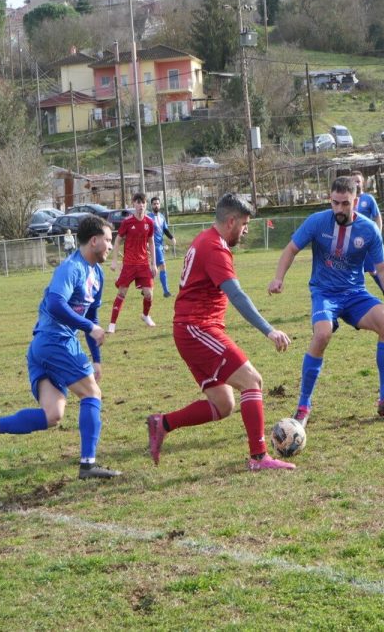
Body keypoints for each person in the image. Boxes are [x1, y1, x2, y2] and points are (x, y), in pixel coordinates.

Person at [146, 193, 295, 471]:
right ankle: (259, 457)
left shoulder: (206, 239)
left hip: (192, 328)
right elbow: (237, 295)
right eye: (245, 224)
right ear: (231, 221)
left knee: (223, 404)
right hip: (197, 328)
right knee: (252, 380)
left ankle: (162, 423)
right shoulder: (214, 247)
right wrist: (269, 330)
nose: (247, 229)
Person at [0, 215, 121, 480]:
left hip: (43, 347)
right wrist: (87, 327)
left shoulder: (97, 273)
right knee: (92, 395)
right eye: (107, 240)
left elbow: (92, 317)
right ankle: (87, 465)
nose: (110, 245)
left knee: (53, 415)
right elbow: (55, 305)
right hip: (55, 341)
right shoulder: (71, 268)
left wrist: (96, 359)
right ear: (93, 241)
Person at [268, 176, 384, 427]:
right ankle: (303, 407)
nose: (339, 209)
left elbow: (382, 269)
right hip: (324, 293)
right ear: (330, 200)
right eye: (335, 203)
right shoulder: (317, 222)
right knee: (322, 335)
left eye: (345, 204)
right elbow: (291, 249)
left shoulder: (369, 229)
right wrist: (278, 278)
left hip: (354, 294)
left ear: (356, 202)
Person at [107, 192, 156, 332]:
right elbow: (117, 241)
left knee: (149, 294)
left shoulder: (149, 222)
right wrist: (114, 261)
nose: (141, 205)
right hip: (129, 264)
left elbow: (151, 242)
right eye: (138, 202)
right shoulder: (127, 222)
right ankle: (112, 325)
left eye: (143, 203)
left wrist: (153, 263)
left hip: (143, 264)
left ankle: (146, 315)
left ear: (146, 205)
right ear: (133, 204)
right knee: (122, 292)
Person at [352, 171, 384, 299]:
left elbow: (377, 217)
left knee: (372, 270)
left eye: (358, 181)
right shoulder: (348, 200)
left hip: (366, 241)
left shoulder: (368, 199)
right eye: (353, 181)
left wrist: (378, 234)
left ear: (363, 183)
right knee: (353, 271)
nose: (356, 183)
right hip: (351, 242)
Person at [147, 196, 177, 297]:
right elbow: (144, 232)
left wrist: (172, 238)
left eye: (157, 203)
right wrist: (145, 243)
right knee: (162, 266)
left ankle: (146, 287)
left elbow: (165, 230)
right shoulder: (148, 217)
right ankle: (166, 291)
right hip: (153, 246)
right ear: (151, 205)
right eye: (154, 203)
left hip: (159, 246)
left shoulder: (162, 217)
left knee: (154, 269)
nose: (156, 205)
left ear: (160, 205)